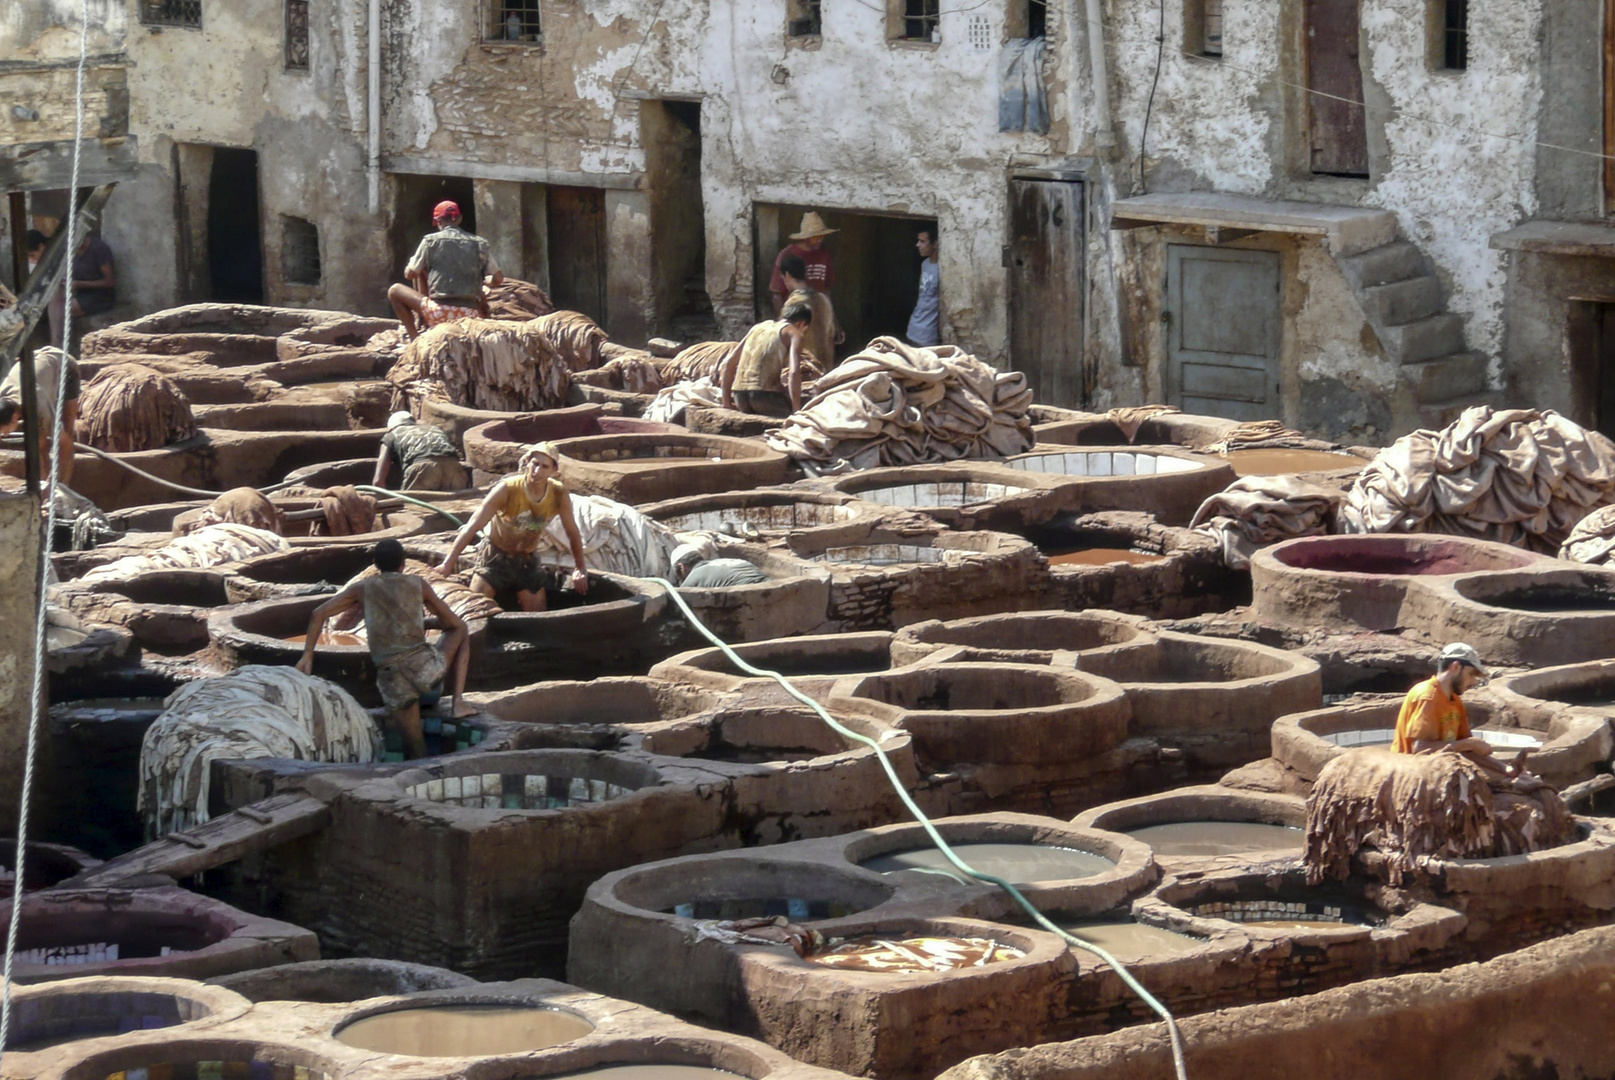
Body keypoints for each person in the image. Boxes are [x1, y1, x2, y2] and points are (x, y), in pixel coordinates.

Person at [295, 538, 474, 760]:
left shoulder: (362, 588)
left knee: (416, 750)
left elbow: (318, 614)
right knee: (462, 628)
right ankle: (458, 702)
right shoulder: (418, 584)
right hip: (428, 674)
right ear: (403, 564)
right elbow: (453, 623)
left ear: (376, 565)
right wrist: (426, 624)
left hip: (394, 681)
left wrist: (307, 656)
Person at [435, 442, 589, 612]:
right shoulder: (508, 489)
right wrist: (448, 564)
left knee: (540, 618)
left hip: (526, 562)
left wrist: (580, 568)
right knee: (471, 611)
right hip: (495, 559)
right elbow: (472, 526)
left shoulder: (558, 494)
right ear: (527, 463)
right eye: (535, 464)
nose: (537, 471)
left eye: (544, 467)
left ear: (554, 470)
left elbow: (572, 532)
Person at [1392, 643, 1525, 778]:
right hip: (1410, 775)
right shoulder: (1427, 697)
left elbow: (1466, 749)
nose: (1473, 682)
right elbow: (1420, 750)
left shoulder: (1455, 700)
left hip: (1438, 771)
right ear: (1455, 667)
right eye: (1471, 674)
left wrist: (1505, 768)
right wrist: (1468, 744)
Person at [388, 201, 503, 340]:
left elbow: (410, 274)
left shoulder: (429, 241)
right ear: (459, 218)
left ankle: (414, 339)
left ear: (437, 222)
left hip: (439, 313)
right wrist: (484, 281)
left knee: (394, 290)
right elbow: (498, 279)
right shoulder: (480, 243)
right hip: (471, 316)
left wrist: (414, 263)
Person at [0, 345, 80, 486]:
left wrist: (54, 479)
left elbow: (64, 443)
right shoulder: (2, 397)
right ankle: (42, 485)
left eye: (5, 430)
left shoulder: (38, 406)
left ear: (14, 418)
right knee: (38, 441)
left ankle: (61, 487)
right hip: (34, 364)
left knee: (66, 431)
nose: (5, 435)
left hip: (63, 365)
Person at [719, 300, 812, 418]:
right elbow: (794, 372)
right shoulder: (794, 333)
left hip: (740, 398)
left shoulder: (758, 328)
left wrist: (726, 401)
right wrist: (796, 410)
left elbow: (729, 362)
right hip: (765, 398)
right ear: (802, 323)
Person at [374, 412, 470, 491]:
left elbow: (378, 480)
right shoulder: (434, 429)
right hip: (453, 466)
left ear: (391, 427)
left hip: (423, 468)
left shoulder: (391, 435)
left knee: (412, 509)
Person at [779, 253, 842, 372]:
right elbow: (830, 338)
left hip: (806, 371)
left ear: (787, 275)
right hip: (826, 371)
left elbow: (783, 339)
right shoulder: (823, 300)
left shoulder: (794, 303)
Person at [768, 212, 837, 314]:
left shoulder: (825, 255)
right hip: (795, 312)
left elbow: (826, 289)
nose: (820, 240)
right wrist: (784, 320)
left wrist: (830, 317)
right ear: (806, 237)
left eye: (822, 236)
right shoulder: (787, 255)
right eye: (816, 236)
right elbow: (776, 294)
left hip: (818, 312)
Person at [671, 544, 769, 588]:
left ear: (681, 567)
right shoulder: (720, 562)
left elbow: (681, 601)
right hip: (769, 583)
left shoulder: (692, 579)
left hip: (750, 592)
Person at [906, 227, 940, 347]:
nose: (918, 245)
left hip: (929, 333)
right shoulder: (925, 264)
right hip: (914, 326)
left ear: (935, 244)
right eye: (918, 241)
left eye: (923, 241)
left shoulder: (944, 268)